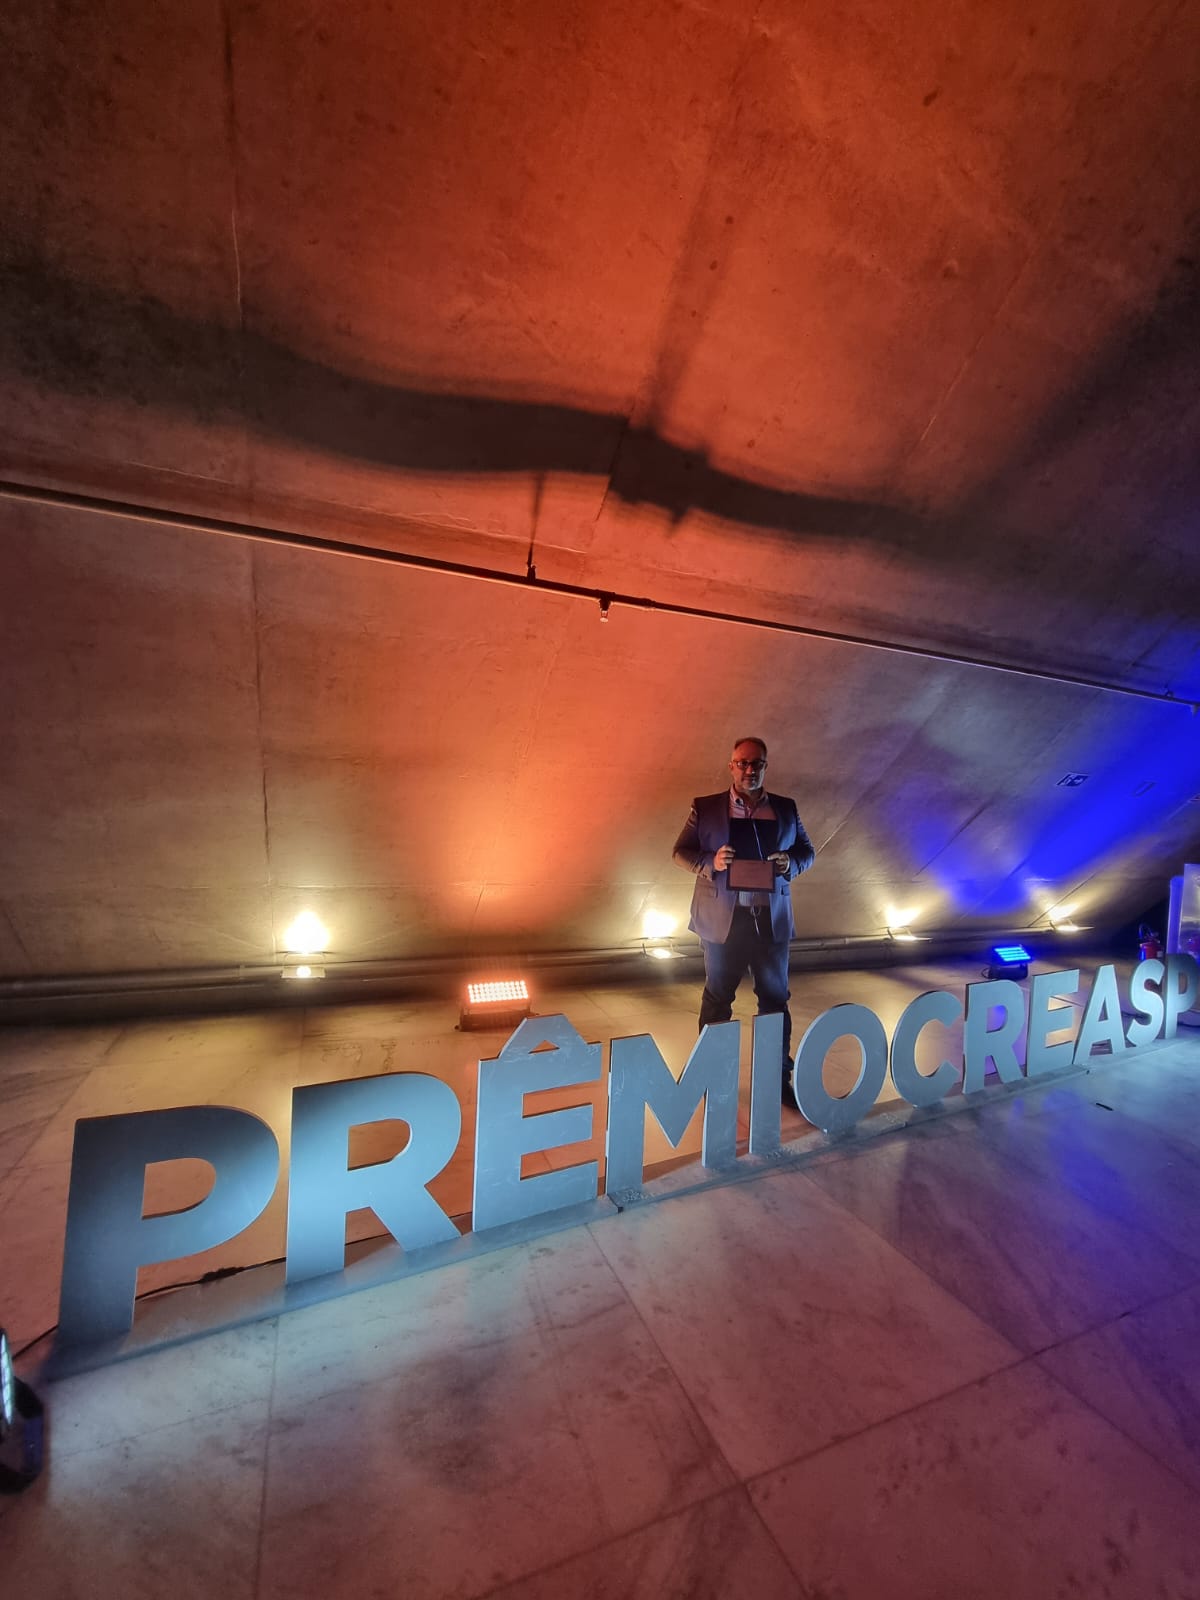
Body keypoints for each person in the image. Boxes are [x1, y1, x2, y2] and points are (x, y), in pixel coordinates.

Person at [672, 737, 815, 1106]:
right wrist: (711, 862)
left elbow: (807, 851)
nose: (750, 770)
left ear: (765, 766)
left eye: (757, 763)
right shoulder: (706, 807)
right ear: (731, 766)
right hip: (724, 921)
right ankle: (710, 1078)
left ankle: (776, 1080)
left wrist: (791, 863)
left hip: (769, 920)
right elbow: (680, 852)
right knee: (718, 999)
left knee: (775, 1001)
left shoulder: (785, 808)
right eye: (743, 763)